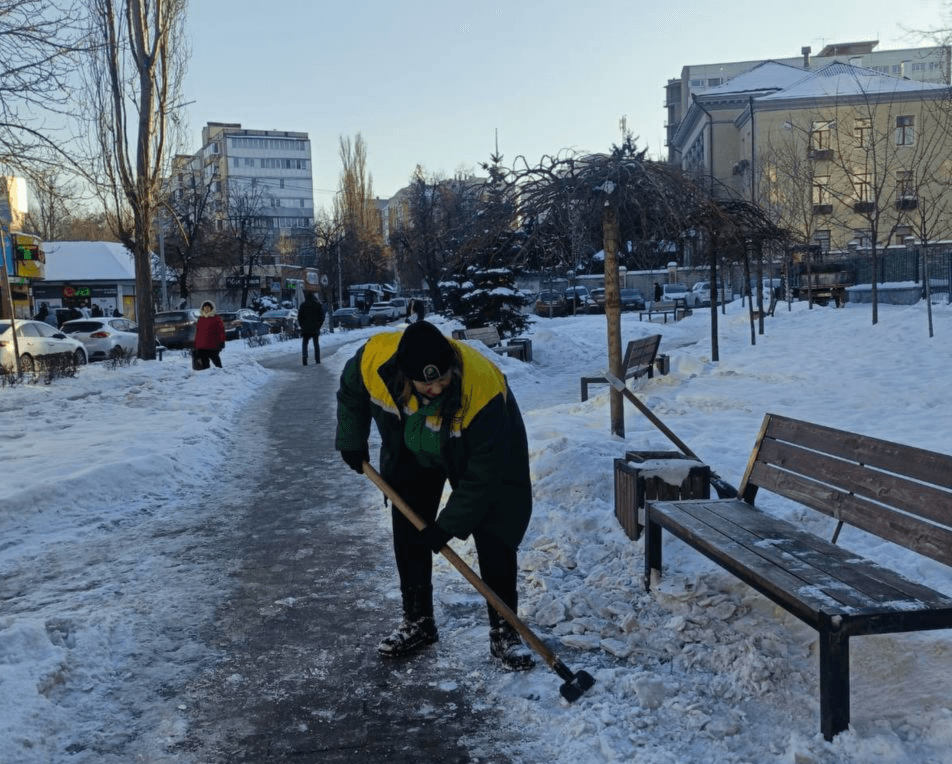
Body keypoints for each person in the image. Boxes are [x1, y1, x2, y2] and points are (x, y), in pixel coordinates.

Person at [335, 320, 535, 671]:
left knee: (494, 526)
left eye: (442, 378)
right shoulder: (375, 360)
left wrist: (447, 526)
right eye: (425, 383)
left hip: (475, 448)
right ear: (404, 374)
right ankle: (418, 621)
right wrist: (351, 439)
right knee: (408, 521)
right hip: (414, 446)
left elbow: (485, 475)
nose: (436, 387)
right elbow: (351, 391)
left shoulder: (481, 389)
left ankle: (504, 629)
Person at [193, 300, 226, 369]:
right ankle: (207, 378)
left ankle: (220, 375)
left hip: (213, 345)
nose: (206, 310)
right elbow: (198, 333)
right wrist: (196, 345)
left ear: (212, 309)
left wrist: (222, 341)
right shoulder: (201, 319)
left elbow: (221, 331)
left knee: (217, 363)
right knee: (205, 366)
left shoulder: (216, 319)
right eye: (205, 308)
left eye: (208, 308)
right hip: (202, 346)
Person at [297, 292, 325, 365]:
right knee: (316, 343)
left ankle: (304, 357)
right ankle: (317, 359)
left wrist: (302, 325)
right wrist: (319, 325)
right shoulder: (317, 305)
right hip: (315, 327)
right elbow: (322, 316)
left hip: (305, 328)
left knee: (305, 343)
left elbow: (299, 317)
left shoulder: (303, 305)